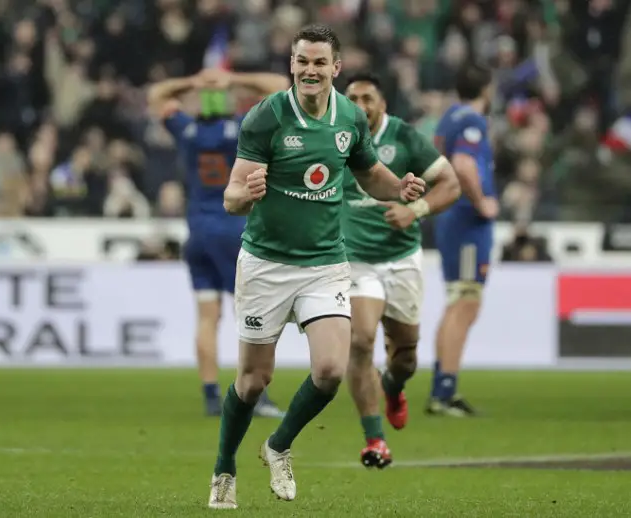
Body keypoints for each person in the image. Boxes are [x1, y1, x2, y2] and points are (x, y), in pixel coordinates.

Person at [208, 24, 426, 509]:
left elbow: (370, 174)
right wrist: (247, 194)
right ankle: (224, 467)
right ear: (292, 64)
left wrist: (401, 188)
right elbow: (231, 197)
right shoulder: (264, 118)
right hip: (266, 263)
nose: (310, 70)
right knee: (252, 381)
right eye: (302, 61)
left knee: (330, 370)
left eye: (319, 63)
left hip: (325, 262)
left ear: (335, 68)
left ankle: (278, 445)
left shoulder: (349, 116)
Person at [147, 68, 290, 418]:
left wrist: (191, 80)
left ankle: (211, 395)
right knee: (254, 314)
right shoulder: (243, 127)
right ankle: (255, 394)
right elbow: (280, 88)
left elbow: (157, 95)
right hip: (234, 229)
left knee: (207, 317)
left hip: (196, 231)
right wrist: (236, 79)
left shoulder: (187, 130)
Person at [342, 73, 460, 468]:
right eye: (352, 97)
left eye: (367, 97)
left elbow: (449, 183)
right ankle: (374, 439)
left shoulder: (404, 136)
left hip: (401, 259)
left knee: (405, 355)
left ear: (382, 104)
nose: (359, 104)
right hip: (354, 260)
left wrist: (415, 210)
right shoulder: (332, 136)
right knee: (360, 340)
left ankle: (393, 387)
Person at [426, 64, 499, 417]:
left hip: (449, 219)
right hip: (467, 222)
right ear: (488, 88)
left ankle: (441, 385)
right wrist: (481, 200)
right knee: (466, 303)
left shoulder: (447, 118)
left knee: (457, 300)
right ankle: (445, 391)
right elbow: (464, 165)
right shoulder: (472, 121)